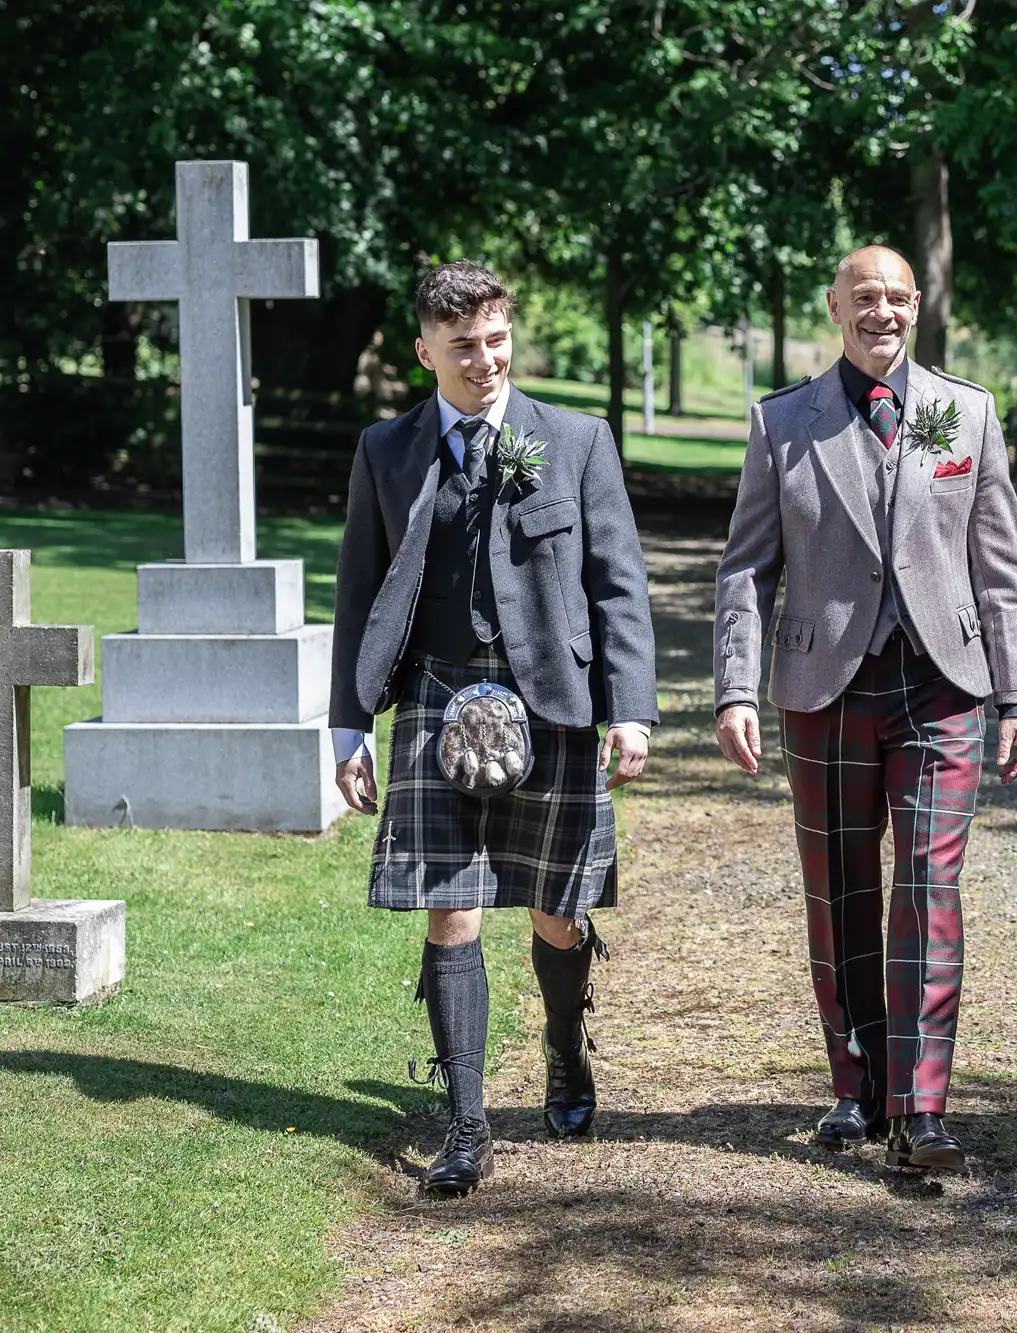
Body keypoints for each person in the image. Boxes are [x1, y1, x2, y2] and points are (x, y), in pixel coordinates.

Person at [329, 261, 657, 1196]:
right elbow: (358, 591)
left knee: (557, 909)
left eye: (497, 339)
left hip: (550, 693)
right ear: (425, 349)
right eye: (463, 345)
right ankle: (466, 1123)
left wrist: (628, 707)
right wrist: (348, 726)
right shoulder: (385, 450)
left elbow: (618, 583)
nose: (485, 360)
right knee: (451, 906)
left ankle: (564, 1051)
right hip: (435, 696)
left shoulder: (576, 439)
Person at [711, 245, 1017, 1171]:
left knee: (930, 889)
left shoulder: (966, 413)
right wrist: (736, 686)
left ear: (919, 304)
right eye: (865, 298)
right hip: (825, 689)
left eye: (897, 297)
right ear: (835, 307)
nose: (882, 312)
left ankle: (921, 1107)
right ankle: (853, 1086)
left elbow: (1001, 568)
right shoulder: (784, 424)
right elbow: (745, 570)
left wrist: (1016, 695)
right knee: (843, 891)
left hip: (943, 687)